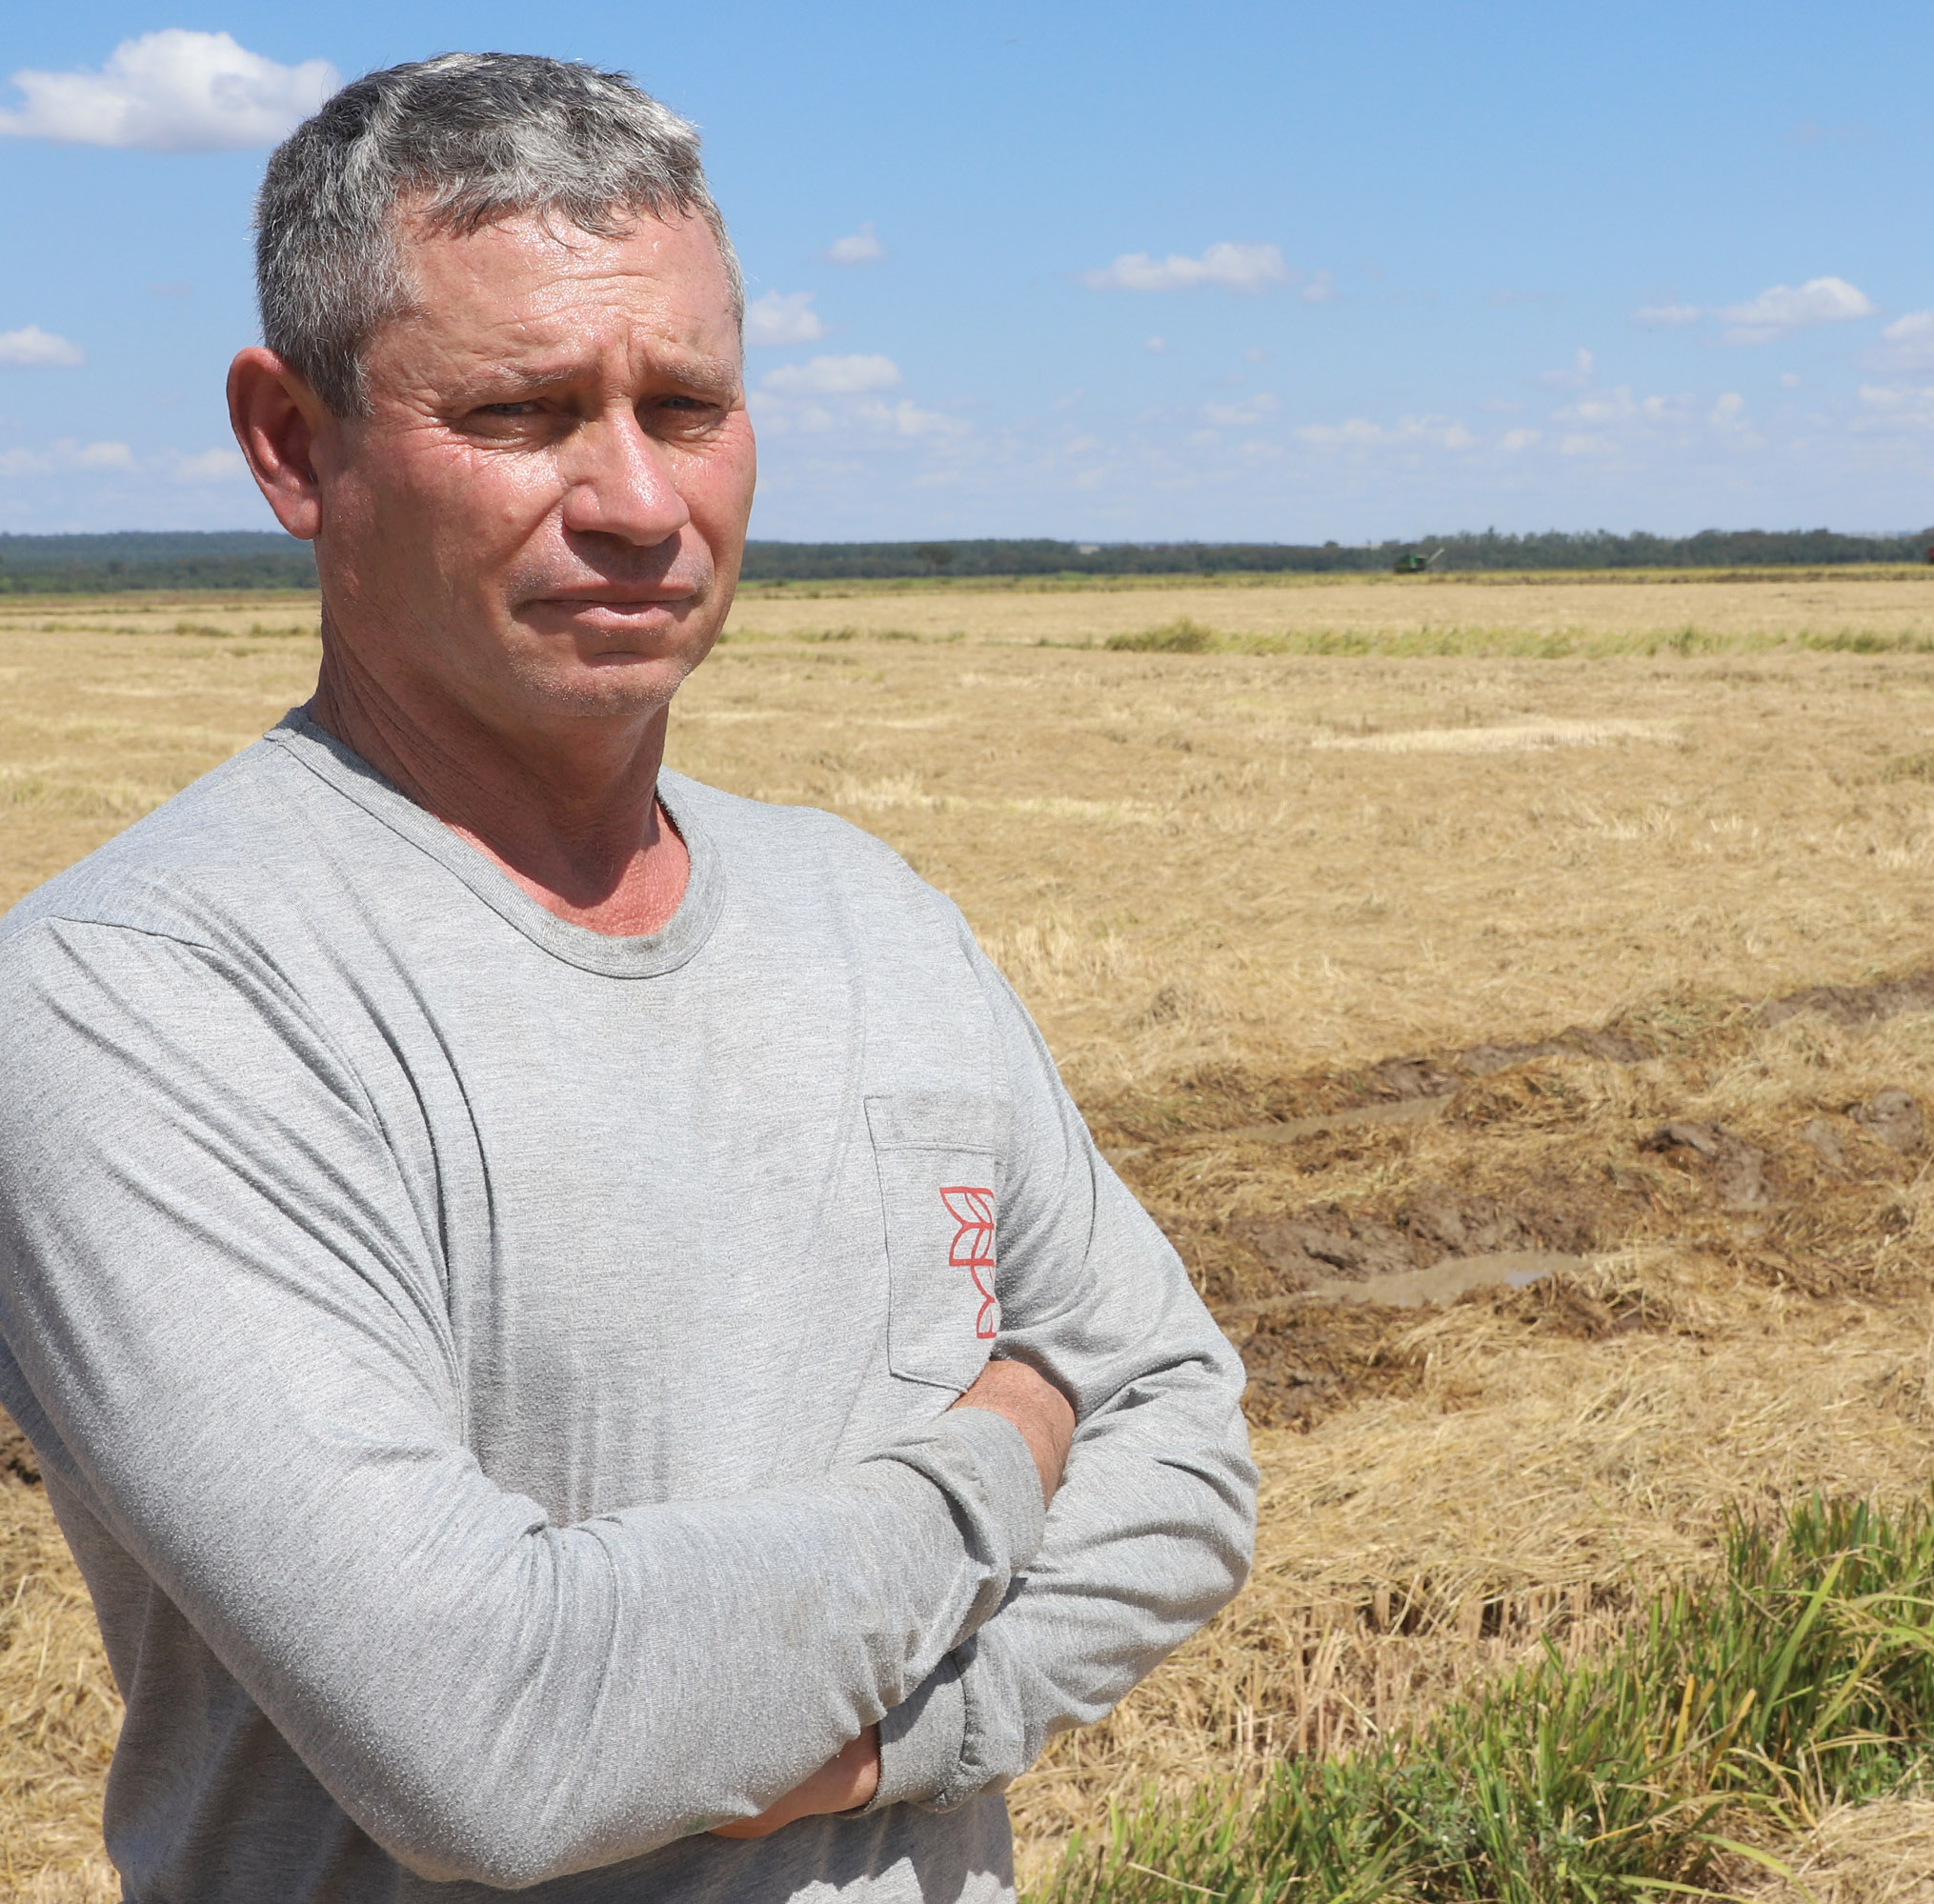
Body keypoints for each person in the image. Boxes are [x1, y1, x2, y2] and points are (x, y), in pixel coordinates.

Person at [0, 51, 1256, 1901]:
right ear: (295, 445)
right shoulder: (147, 1001)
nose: (636, 499)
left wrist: (893, 1741)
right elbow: (499, 1735)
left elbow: (1191, 1439)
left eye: (686, 404)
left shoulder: (872, 915)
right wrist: (1009, 1435)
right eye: (523, 412)